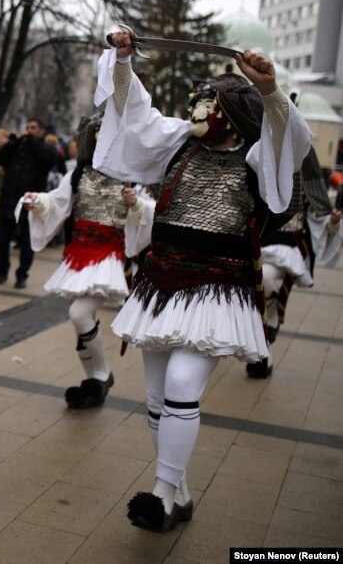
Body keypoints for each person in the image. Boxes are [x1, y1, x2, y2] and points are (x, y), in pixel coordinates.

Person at [96, 29, 310, 533]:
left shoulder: (256, 159)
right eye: (193, 106)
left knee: (182, 384)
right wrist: (124, 61)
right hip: (162, 283)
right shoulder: (176, 147)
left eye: (204, 107)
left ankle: (163, 492)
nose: (194, 114)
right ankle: (179, 491)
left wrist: (271, 90)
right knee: (156, 399)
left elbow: (287, 138)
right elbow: (135, 117)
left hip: (217, 289)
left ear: (230, 113)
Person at [22, 113, 155, 409]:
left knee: (78, 315)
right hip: (79, 255)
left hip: (109, 258)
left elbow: (153, 213)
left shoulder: (133, 175)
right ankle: (94, 381)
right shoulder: (78, 173)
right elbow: (57, 202)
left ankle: (102, 374)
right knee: (82, 321)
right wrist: (37, 202)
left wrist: (137, 205)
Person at [251, 148, 342, 378]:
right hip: (255, 246)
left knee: (267, 282)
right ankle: (265, 333)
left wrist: (332, 221)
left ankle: (266, 339)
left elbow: (320, 222)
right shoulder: (262, 180)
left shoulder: (304, 189)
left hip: (286, 249)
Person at [0, 118, 63, 288]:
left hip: (30, 203)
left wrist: (32, 141)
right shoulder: (17, 145)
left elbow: (52, 160)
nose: (29, 130)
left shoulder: (45, 148)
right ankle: (1, 271)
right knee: (3, 239)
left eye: (33, 128)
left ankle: (22, 274)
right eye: (27, 127)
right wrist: (12, 143)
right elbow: (0, 159)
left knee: (27, 242)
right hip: (9, 200)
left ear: (41, 131)